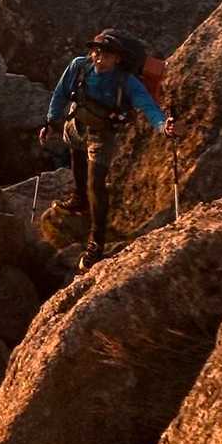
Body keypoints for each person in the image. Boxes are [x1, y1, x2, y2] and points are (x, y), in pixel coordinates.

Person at [40, 28, 175, 270]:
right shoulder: (79, 66)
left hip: (102, 135)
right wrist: (50, 121)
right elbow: (60, 92)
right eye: (97, 52)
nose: (99, 58)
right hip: (76, 122)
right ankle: (79, 200)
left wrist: (164, 126)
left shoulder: (127, 82)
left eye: (107, 55)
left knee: (96, 184)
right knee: (75, 155)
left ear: (118, 59)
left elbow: (148, 107)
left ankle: (96, 242)